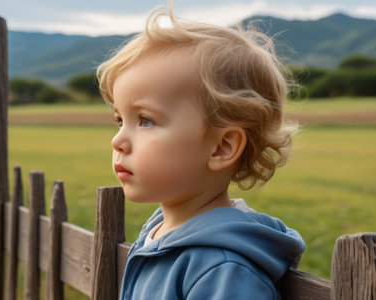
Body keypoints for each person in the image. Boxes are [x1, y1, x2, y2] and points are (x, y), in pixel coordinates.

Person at [96, 3, 306, 299]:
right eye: (120, 120)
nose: (117, 141)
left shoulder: (221, 269)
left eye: (145, 120)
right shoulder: (161, 231)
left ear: (221, 147)